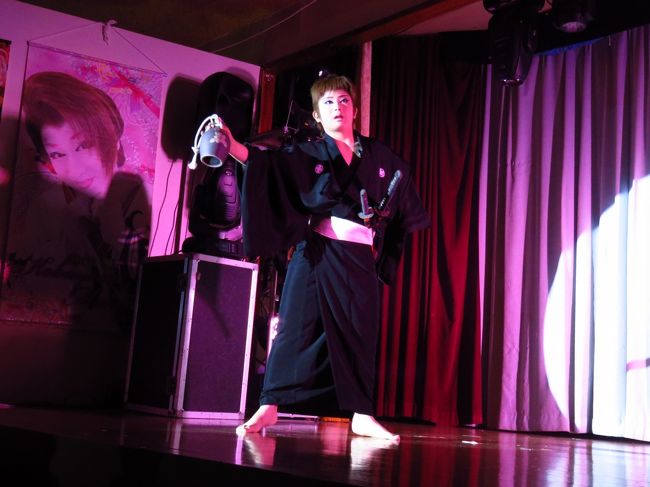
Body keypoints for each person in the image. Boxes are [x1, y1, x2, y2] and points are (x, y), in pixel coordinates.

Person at [222, 73, 430, 441]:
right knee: (294, 329)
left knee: (360, 334)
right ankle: (269, 406)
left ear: (355, 110)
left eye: (344, 100)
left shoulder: (381, 156)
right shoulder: (310, 153)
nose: (337, 107)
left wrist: (384, 225)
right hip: (317, 251)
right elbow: (266, 165)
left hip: (358, 257)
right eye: (328, 102)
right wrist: (232, 146)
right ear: (317, 115)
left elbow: (404, 202)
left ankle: (362, 415)